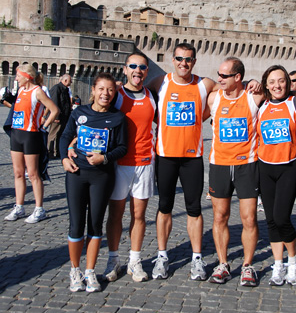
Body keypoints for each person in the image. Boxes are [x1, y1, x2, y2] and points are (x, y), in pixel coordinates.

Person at [147, 43, 216, 282]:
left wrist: (203, 116)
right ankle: (162, 256)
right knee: (164, 206)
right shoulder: (160, 82)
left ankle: (197, 258)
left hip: (192, 158)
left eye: (188, 59)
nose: (183, 63)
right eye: (179, 59)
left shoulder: (203, 84)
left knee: (194, 208)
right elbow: (139, 96)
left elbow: (227, 91)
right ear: (172, 59)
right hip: (166, 156)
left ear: (194, 61)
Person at [60, 73, 127, 293]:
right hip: (77, 173)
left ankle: (90, 271)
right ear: (93, 90)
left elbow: (122, 147)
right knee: (76, 224)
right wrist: (63, 158)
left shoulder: (117, 118)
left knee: (96, 224)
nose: (105, 94)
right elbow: (65, 136)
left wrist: (104, 158)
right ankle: (75, 270)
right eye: (101, 89)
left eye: (109, 90)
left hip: (102, 176)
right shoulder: (79, 113)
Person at [207, 57, 263, 286]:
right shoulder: (213, 97)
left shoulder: (254, 97)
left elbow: (283, 90)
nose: (219, 79)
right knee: (220, 216)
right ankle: (223, 263)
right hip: (219, 164)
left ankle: (248, 266)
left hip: (247, 165)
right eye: (218, 74)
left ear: (238, 77)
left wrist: (256, 81)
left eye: (224, 76)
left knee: (249, 218)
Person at [103, 52, 157, 283]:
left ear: (147, 71)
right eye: (133, 66)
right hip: (118, 164)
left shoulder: (152, 96)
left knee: (139, 215)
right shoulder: (115, 95)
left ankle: (135, 260)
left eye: (142, 67)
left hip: (145, 162)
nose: (138, 70)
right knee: (115, 214)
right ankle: (113, 259)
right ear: (125, 69)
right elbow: (95, 116)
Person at [257, 65, 296, 287]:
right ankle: (278, 264)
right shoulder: (261, 105)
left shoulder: (295, 103)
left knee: (282, 217)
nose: (276, 85)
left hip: (289, 166)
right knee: (270, 219)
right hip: (265, 167)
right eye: (272, 82)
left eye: (281, 81)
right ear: (266, 85)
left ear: (287, 83)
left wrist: (295, 91)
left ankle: (293, 259)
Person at [4, 64, 59, 223]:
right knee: (18, 173)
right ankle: (19, 206)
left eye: (18, 76)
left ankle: (39, 208)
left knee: (34, 174)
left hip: (30, 136)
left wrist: (44, 125)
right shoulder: (21, 91)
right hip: (16, 134)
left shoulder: (38, 91)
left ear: (27, 76)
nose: (16, 79)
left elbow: (54, 109)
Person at [48, 74, 72, 158]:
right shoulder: (57, 88)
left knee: (60, 135)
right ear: (65, 80)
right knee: (53, 134)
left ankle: (57, 151)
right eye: (70, 81)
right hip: (57, 117)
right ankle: (50, 152)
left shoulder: (65, 89)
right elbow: (54, 102)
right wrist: (56, 117)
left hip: (63, 117)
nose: (71, 82)